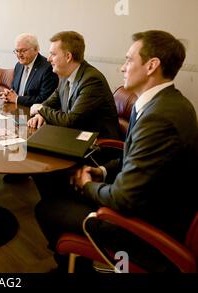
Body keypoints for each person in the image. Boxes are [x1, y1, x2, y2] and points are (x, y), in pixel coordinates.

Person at [35, 30, 198, 272]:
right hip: (146, 200)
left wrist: (87, 185)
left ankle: (75, 268)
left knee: (47, 208)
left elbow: (124, 199)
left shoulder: (159, 117)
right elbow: (131, 158)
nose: (122, 68)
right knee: (59, 185)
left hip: (146, 225)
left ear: (152, 65)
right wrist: (100, 171)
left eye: (129, 60)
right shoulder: (162, 103)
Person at [27, 31, 120, 140]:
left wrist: (41, 109)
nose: (48, 59)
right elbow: (52, 102)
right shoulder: (65, 75)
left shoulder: (92, 80)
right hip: (74, 137)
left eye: (53, 54)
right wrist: (40, 115)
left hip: (97, 145)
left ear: (68, 57)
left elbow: (70, 121)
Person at [0, 33, 58, 107]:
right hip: (16, 110)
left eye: (23, 51)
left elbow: (45, 99)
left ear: (36, 49)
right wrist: (8, 95)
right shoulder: (18, 65)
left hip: (34, 114)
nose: (19, 55)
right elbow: (14, 90)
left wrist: (17, 99)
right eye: (17, 51)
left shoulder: (48, 68)